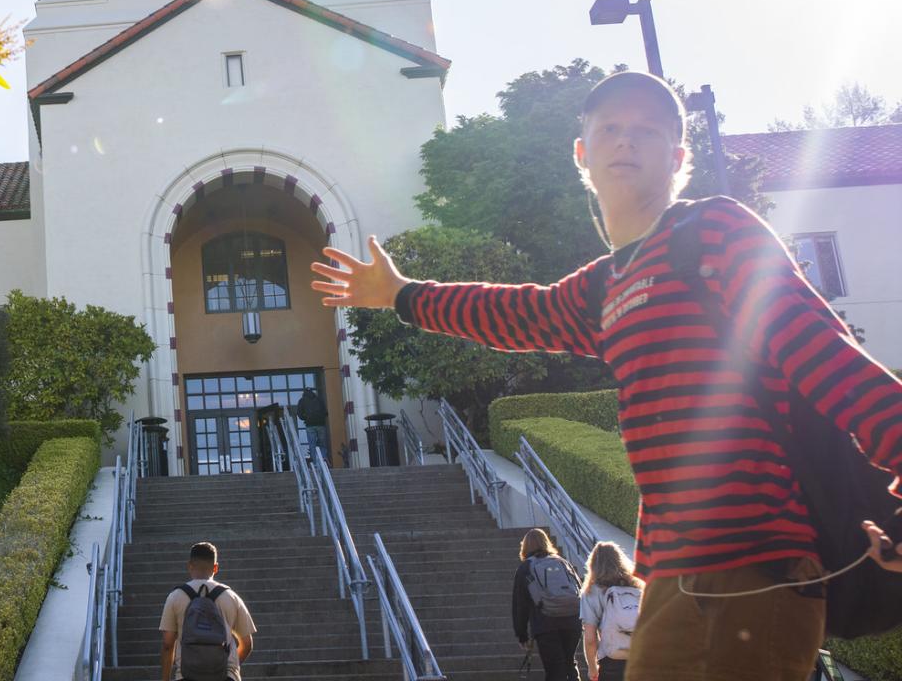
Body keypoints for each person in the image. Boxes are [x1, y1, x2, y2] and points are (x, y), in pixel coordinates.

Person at [310, 70, 902, 681]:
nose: (626, 142)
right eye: (610, 129)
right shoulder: (604, 285)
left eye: (647, 131)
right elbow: (511, 313)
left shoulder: (716, 232)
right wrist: (402, 294)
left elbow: (826, 359)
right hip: (671, 575)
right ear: (582, 154)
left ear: (677, 158)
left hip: (761, 561)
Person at [159, 541, 255, 681]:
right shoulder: (231, 596)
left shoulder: (175, 597)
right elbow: (247, 644)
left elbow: (168, 644)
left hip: (187, 675)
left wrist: (165, 679)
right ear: (215, 568)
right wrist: (230, 667)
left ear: (189, 565)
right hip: (225, 676)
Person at [512, 528, 583, 681]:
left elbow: (520, 605)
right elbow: (579, 589)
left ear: (525, 546)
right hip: (572, 621)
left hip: (546, 623)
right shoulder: (563, 562)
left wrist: (522, 635)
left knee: (554, 669)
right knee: (570, 663)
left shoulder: (525, 568)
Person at [580, 541, 644, 681]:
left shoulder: (592, 592)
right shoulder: (638, 588)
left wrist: (592, 668)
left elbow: (590, 639)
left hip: (612, 662)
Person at [296, 386, 329, 463]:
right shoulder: (319, 399)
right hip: (321, 424)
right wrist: (322, 418)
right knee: (323, 443)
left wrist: (305, 418)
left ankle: (314, 462)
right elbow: (325, 412)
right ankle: (324, 457)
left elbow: (299, 413)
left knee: (312, 444)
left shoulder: (302, 401)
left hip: (310, 425)